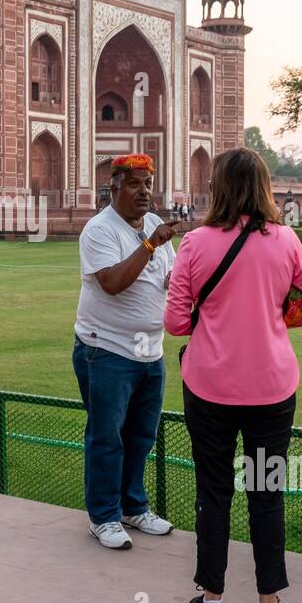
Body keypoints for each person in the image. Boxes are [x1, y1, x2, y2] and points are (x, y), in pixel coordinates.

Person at [165, 147, 302, 603]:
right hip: (271, 389)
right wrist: (273, 317)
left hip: (210, 386)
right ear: (264, 186)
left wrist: (211, 321)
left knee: (214, 493)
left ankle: (211, 601)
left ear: (218, 187)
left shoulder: (195, 243)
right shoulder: (286, 240)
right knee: (266, 494)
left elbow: (174, 323)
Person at [74, 153, 178, 551]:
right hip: (107, 351)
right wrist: (150, 245)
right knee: (106, 437)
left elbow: (164, 279)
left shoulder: (152, 224)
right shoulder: (99, 230)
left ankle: (134, 507)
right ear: (114, 187)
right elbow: (113, 282)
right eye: (134, 184)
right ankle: (104, 516)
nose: (143, 192)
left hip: (150, 351)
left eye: (148, 184)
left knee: (141, 436)